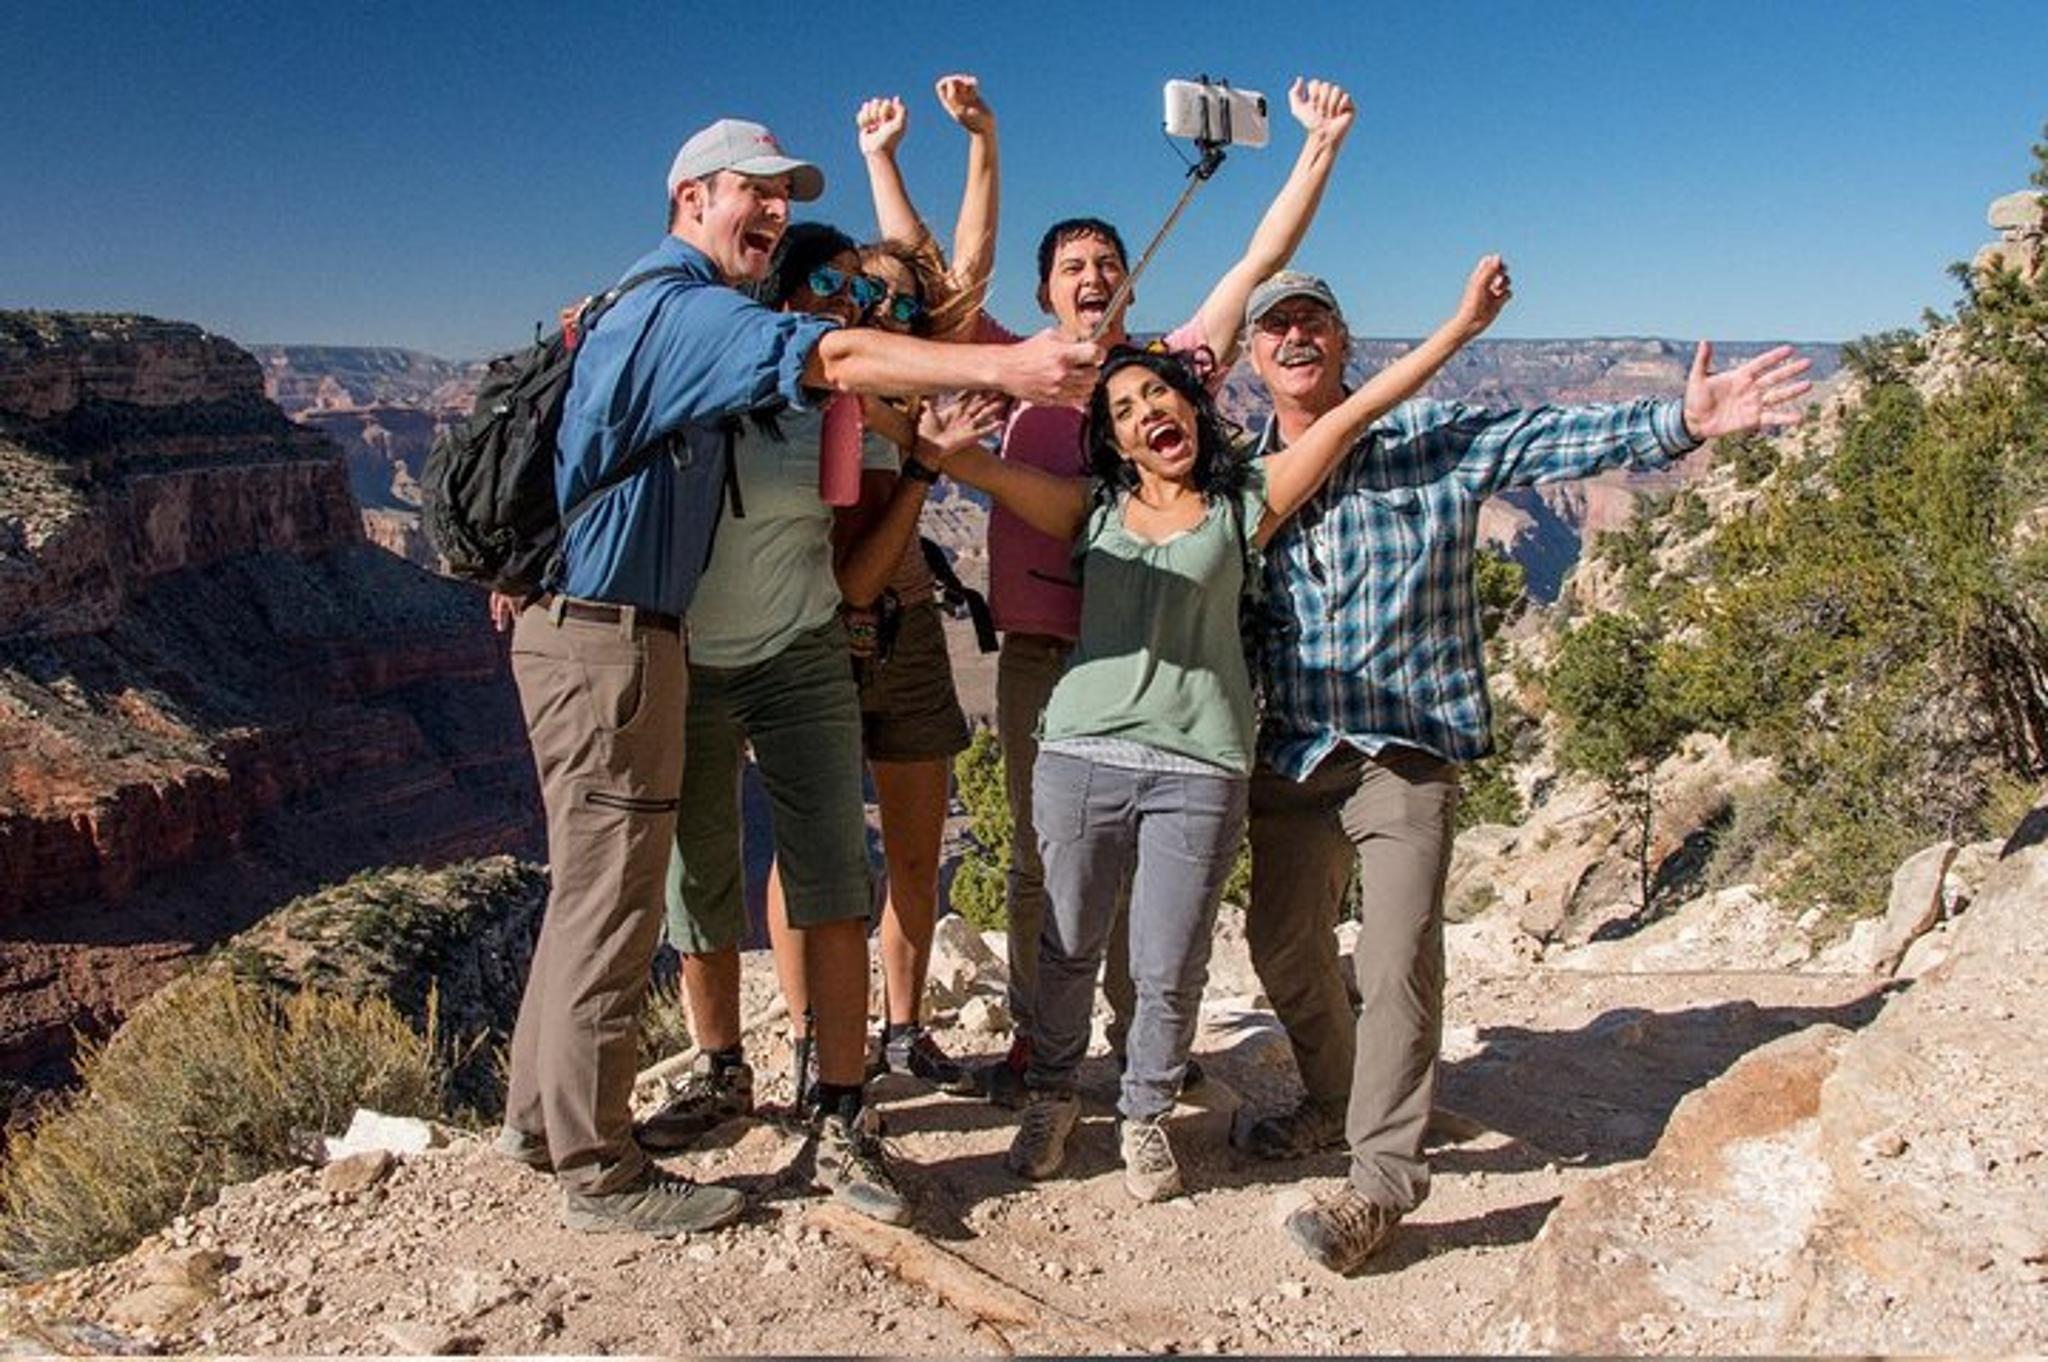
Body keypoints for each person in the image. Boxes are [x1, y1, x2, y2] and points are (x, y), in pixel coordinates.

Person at [494, 115, 1099, 1240]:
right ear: (691, 199)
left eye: (784, 202)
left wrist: (924, 446)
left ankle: (820, 1106)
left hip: (776, 650)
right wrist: (1007, 365)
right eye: (752, 194)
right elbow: (836, 354)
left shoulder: (796, 381)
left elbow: (918, 313)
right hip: (650, 648)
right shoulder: (694, 320)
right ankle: (622, 1139)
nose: (774, 219)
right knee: (644, 892)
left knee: (791, 876)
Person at [1234, 270, 1814, 1271]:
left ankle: (1379, 1183)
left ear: (1342, 339)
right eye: (1273, 326)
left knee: (1395, 957)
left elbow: (1550, 438)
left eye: (1311, 321)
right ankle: (1335, 1100)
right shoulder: (1240, 477)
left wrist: (1682, 422)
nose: (1293, 337)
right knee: (1281, 945)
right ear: (1252, 356)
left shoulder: (1429, 439)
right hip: (1292, 751)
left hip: (1405, 750)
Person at [942, 255, 1511, 1200]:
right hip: (1080, 758)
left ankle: (1146, 1113)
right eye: (1123, 410)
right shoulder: (1091, 510)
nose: (1145, 414)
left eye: (1157, 396)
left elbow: (1352, 417)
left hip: (1198, 769)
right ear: (1113, 440)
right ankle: (1052, 1094)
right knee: (1066, 947)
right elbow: (976, 468)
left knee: (1170, 964)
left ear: (1190, 407)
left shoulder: (1247, 501)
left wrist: (1459, 330)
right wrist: (922, 429)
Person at [975, 76, 1360, 1105]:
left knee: (1145, 873)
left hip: (1155, 663)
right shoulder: (1013, 370)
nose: (1093, 276)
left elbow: (1256, 263)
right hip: (1043, 660)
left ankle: (1140, 1048)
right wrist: (970, 143)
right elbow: (940, 277)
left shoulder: (1167, 371)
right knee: (1043, 865)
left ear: (1128, 284)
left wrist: (1318, 147)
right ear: (1044, 293)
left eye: (1106, 262)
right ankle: (1039, 1041)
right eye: (1072, 267)